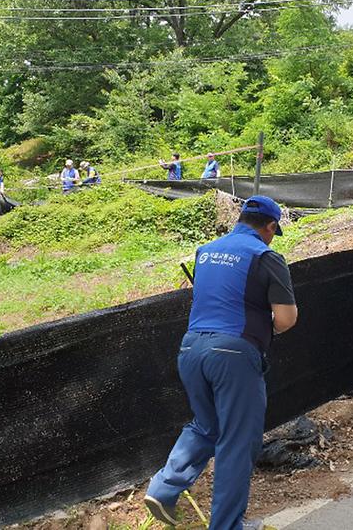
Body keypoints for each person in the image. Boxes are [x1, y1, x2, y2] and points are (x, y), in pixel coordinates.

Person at [145, 196, 297, 530]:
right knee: (238, 440)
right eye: (274, 231)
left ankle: (162, 488)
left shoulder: (206, 251)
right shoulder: (267, 256)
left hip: (190, 348)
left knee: (206, 426)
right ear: (270, 226)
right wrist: (263, 326)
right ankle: (227, 526)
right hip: (233, 355)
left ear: (240, 219)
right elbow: (286, 318)